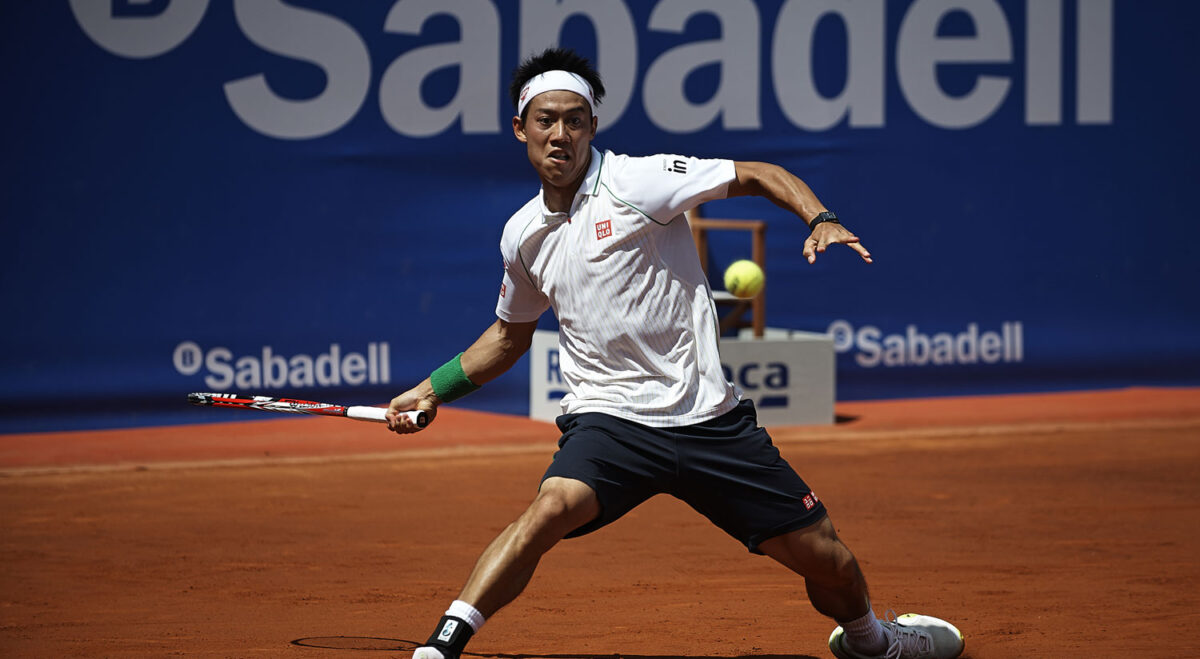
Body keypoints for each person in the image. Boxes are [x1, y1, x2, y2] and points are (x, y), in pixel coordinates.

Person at [385, 48, 964, 659]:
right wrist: (431, 389)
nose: (561, 134)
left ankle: (874, 642)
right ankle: (442, 646)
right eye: (547, 120)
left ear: (592, 128)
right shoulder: (522, 234)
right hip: (611, 422)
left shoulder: (638, 181)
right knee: (549, 509)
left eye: (576, 120)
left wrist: (819, 216)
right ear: (520, 129)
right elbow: (508, 336)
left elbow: (756, 173)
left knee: (830, 562)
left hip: (709, 418)